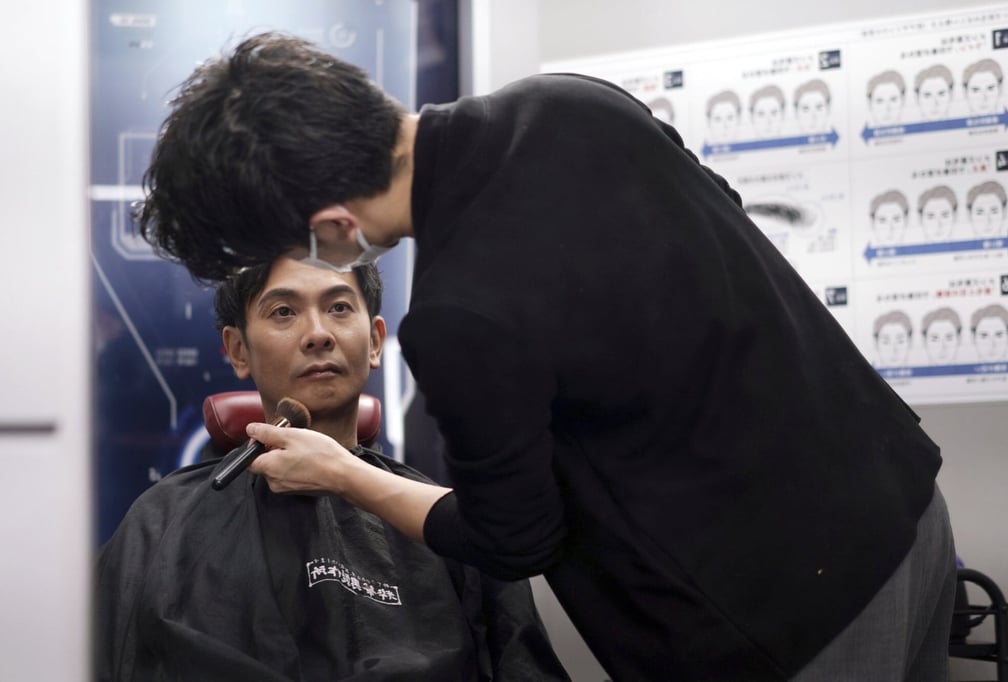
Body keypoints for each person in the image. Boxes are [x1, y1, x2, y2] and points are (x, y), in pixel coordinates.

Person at [137, 32, 955, 681]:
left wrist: (344, 472)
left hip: (791, 616)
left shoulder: (460, 315)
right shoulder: (573, 103)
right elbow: (716, 234)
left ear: (336, 227)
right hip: (903, 506)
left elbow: (513, 539)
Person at [95, 256, 569, 681]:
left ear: (376, 341)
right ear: (238, 351)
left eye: (339, 307)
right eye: (284, 311)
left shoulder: (446, 525)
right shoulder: (162, 523)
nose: (318, 333)